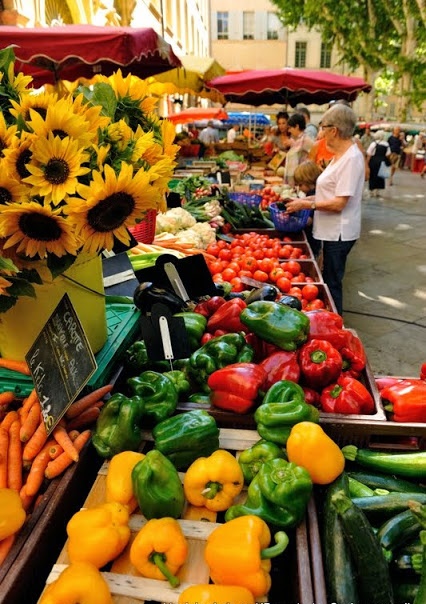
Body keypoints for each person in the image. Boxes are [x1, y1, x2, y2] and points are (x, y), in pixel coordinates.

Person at [284, 103, 365, 315]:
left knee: (332, 283)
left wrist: (307, 203)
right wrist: (305, 199)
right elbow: (329, 193)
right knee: (329, 279)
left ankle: (337, 324)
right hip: (331, 230)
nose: (320, 132)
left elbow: (339, 203)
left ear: (334, 130)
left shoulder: (351, 158)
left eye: (323, 127)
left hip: (339, 232)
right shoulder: (339, 156)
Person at [293, 160, 323, 258]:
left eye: (300, 185)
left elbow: (309, 220)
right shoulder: (314, 192)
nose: (299, 188)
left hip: (313, 237)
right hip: (314, 236)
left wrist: (294, 218)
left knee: (312, 255)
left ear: (309, 181)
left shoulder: (314, 195)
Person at [284, 112, 314, 187]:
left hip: (300, 181)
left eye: (290, 128)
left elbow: (313, 156)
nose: (289, 131)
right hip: (293, 180)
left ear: (297, 126)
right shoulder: (297, 140)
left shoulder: (306, 140)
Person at [366, 130, 391, 197]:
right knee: (380, 176)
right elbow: (388, 154)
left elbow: (369, 154)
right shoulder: (386, 144)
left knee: (372, 175)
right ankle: (377, 191)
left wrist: (366, 163)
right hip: (382, 161)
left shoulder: (373, 144)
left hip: (373, 161)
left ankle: (371, 190)